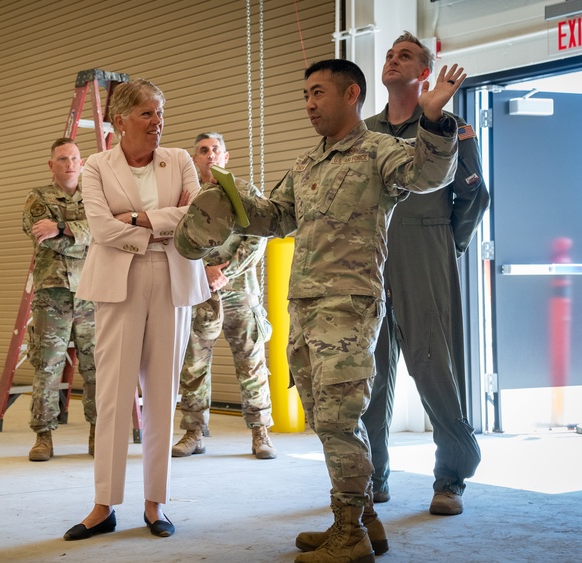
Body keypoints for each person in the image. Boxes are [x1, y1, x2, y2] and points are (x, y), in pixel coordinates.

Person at [175, 58, 466, 563]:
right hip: (305, 306)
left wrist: (434, 119)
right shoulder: (309, 164)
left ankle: (347, 533)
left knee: (338, 419)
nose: (308, 104)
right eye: (305, 95)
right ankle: (366, 521)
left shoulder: (381, 151)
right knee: (324, 416)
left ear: (351, 94)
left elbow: (429, 175)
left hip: (349, 306)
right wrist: (232, 201)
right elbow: (277, 217)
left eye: (318, 93)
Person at [63, 78, 210, 541]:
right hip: (118, 283)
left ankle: (155, 503)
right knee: (113, 394)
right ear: (120, 121)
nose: (157, 122)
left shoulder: (182, 160)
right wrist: (161, 222)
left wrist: (136, 218)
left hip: (173, 278)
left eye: (160, 113)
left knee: (163, 394)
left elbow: (197, 216)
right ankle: (103, 505)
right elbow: (102, 230)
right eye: (147, 113)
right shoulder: (95, 167)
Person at [362, 31, 488, 515]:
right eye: (391, 54)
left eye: (406, 56)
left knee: (433, 365)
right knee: (368, 371)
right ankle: (373, 476)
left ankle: (452, 476)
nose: (394, 60)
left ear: (424, 74)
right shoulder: (365, 131)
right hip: (371, 255)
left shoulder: (447, 125)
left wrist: (444, 241)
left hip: (425, 244)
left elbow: (473, 194)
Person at [172, 132, 276, 460]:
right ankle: (193, 432)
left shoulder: (244, 192)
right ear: (196, 159)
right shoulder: (187, 198)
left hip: (240, 292)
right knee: (194, 365)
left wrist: (224, 273)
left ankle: (261, 433)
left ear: (225, 157)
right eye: (203, 151)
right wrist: (201, 273)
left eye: (215, 150)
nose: (210, 155)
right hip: (199, 293)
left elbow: (259, 237)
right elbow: (178, 242)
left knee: (251, 363)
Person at [21, 137, 97, 462]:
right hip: (51, 294)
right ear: (51, 165)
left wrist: (62, 227)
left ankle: (99, 433)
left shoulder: (96, 197)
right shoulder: (38, 197)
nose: (69, 164)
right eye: (62, 159)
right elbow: (40, 235)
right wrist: (80, 237)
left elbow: (103, 232)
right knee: (48, 365)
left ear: (82, 163)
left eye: (74, 158)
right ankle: (43, 436)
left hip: (93, 293)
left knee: (98, 366)